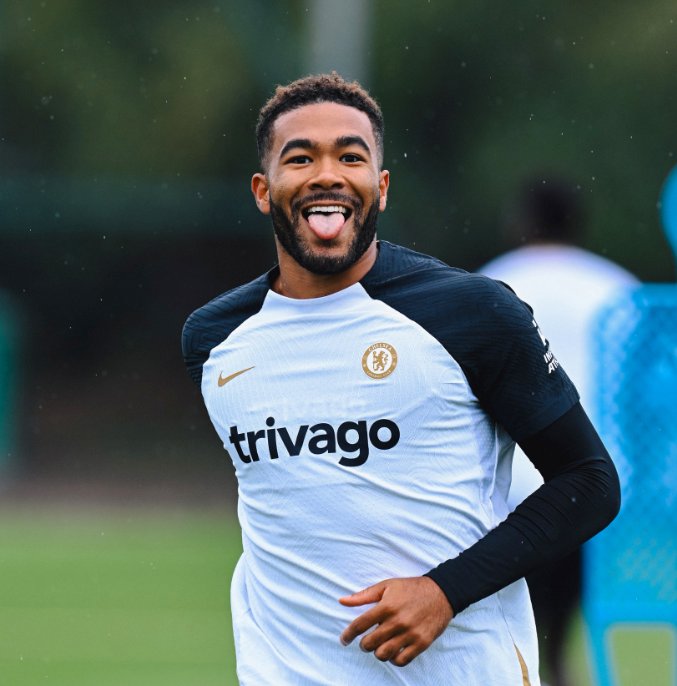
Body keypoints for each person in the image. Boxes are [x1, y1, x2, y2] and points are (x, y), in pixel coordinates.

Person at [182, 73, 620, 686]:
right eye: (301, 158)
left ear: (381, 188)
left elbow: (590, 482)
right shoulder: (214, 339)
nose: (327, 174)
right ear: (263, 190)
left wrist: (444, 590)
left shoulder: (473, 312)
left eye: (350, 157)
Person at [480, 177, 638, 686]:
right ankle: (559, 667)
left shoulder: (489, 283)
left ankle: (538, 669)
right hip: (604, 478)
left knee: (515, 612)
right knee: (573, 609)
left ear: (521, 222)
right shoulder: (617, 288)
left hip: (509, 483)